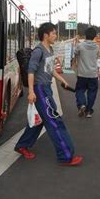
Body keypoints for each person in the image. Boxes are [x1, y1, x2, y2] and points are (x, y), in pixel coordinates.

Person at [15, 22, 83, 166]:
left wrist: (62, 80)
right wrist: (31, 92)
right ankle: (65, 156)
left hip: (46, 88)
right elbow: (31, 72)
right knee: (54, 121)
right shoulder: (38, 51)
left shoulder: (49, 50)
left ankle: (22, 145)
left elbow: (50, 70)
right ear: (46, 35)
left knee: (39, 121)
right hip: (39, 89)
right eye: (53, 33)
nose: (55, 36)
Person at [74, 27, 99, 118]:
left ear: (85, 35)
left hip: (82, 74)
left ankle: (82, 105)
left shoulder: (80, 45)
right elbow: (96, 57)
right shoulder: (97, 46)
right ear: (94, 36)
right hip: (93, 74)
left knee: (80, 90)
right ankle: (88, 111)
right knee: (92, 92)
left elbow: (75, 53)